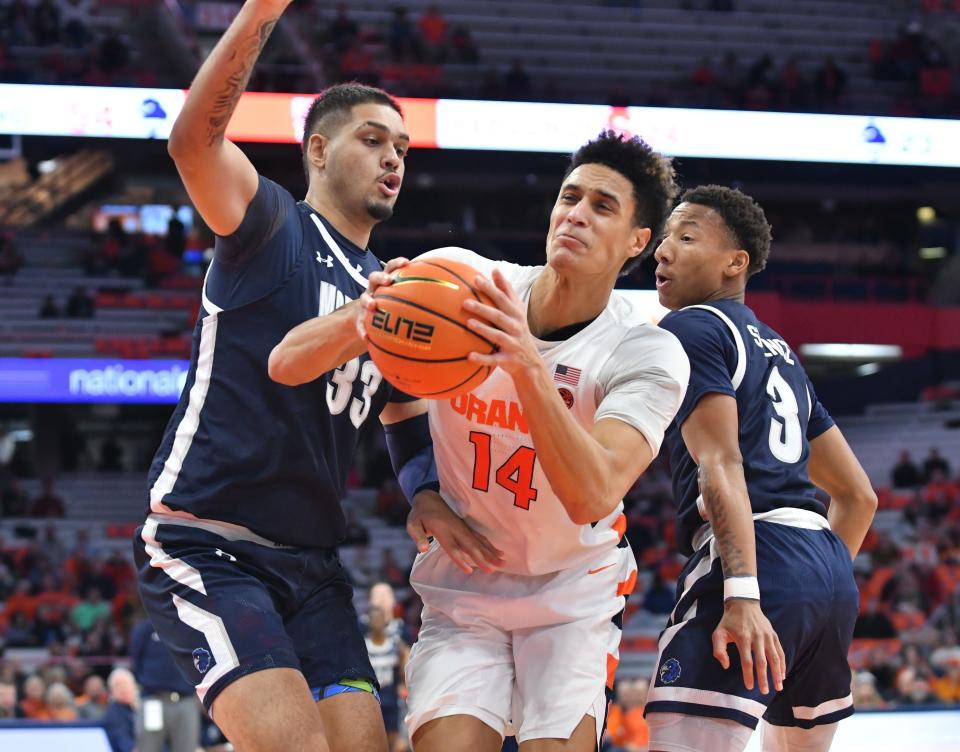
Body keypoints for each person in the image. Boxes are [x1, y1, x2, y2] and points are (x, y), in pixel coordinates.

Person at [271, 131, 690, 750]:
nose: (576, 213)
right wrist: (422, 486)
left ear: (638, 241)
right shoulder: (464, 285)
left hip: (570, 595)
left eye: (603, 206)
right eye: (569, 197)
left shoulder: (647, 351)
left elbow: (593, 493)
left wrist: (525, 366)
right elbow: (351, 378)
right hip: (465, 588)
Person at [133, 1, 416, 750]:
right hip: (208, 542)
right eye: (373, 139)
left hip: (314, 570)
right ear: (317, 151)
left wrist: (430, 501)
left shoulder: (396, 291)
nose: (393, 158)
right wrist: (262, 10)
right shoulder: (271, 225)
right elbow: (193, 139)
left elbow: (404, 420)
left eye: (403, 148)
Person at [645, 185, 878, 752]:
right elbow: (859, 497)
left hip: (755, 562)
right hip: (825, 570)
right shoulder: (781, 351)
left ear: (735, 263)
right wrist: (814, 583)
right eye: (665, 236)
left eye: (686, 236)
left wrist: (748, 594)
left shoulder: (692, 328)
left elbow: (720, 463)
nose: (661, 250)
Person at [129, 615, 200, 752]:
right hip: (153, 700)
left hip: (185, 700)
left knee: (187, 749)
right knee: (148, 748)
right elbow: (136, 661)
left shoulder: (189, 627)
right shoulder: (146, 628)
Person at [365, 606, 410, 752]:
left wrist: (404, 683)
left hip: (391, 696)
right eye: (374, 619)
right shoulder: (364, 645)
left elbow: (405, 656)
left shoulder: (394, 643)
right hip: (372, 697)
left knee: (397, 743)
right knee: (374, 740)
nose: (377, 622)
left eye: (380, 619)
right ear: (369, 622)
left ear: (385, 620)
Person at [101, 668, 137, 752]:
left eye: (126, 684)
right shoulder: (113, 713)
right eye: (118, 686)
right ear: (112, 691)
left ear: (134, 686)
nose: (123, 689)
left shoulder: (143, 706)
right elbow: (124, 742)